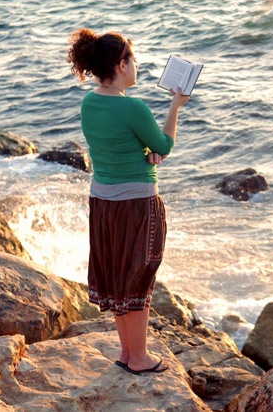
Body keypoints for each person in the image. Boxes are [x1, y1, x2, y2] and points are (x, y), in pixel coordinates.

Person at [68, 28, 190, 375]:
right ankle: (139, 358)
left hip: (103, 203)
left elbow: (113, 146)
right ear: (121, 65)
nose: (136, 65)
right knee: (138, 277)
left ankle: (126, 353)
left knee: (120, 276)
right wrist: (175, 106)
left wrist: (144, 155)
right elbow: (164, 145)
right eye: (133, 59)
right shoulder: (134, 107)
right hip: (136, 205)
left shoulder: (89, 103)